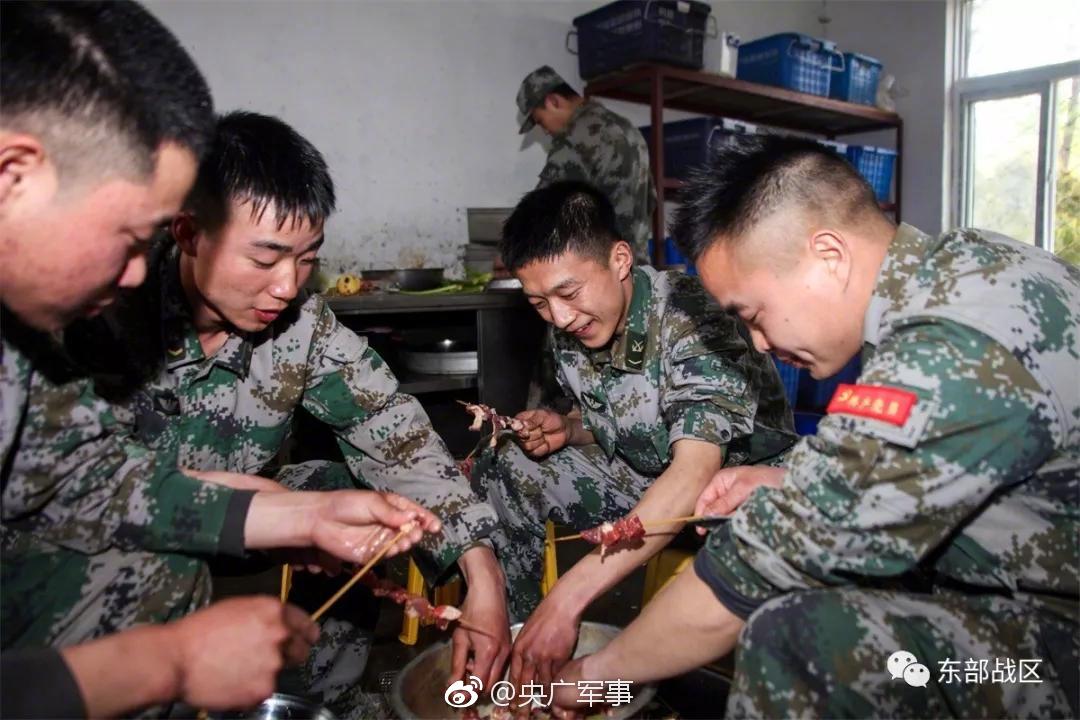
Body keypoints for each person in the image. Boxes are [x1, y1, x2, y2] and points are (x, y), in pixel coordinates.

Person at [0, 3, 436, 715]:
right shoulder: (83, 319)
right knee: (157, 576)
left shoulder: (26, 330)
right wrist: (170, 663)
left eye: (306, 259)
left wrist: (308, 517)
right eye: (130, 236)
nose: (136, 272)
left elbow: (93, 479)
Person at [550, 135, 1079, 718]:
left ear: (829, 255)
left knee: (799, 640)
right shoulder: (964, 268)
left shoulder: (946, 350)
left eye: (753, 314)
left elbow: (758, 566)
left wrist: (596, 675)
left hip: (1054, 654)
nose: (758, 343)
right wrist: (788, 480)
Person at [63, 110, 512, 715]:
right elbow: (88, 493)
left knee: (346, 499)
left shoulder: (300, 324)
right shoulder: (99, 312)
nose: (286, 286)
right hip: (110, 545)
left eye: (306, 259)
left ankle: (322, 699)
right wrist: (285, 513)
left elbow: (392, 429)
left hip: (248, 523)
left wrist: (482, 570)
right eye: (264, 258)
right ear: (189, 232)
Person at [472, 181, 796, 690]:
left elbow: (695, 472)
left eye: (568, 293)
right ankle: (527, 653)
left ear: (620, 260)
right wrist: (571, 430)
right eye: (538, 302)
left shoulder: (695, 317)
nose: (559, 317)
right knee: (508, 465)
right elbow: (628, 419)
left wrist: (569, 596)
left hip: (736, 490)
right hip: (649, 476)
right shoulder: (576, 324)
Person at [516, 66, 655, 265]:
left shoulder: (576, 136)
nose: (545, 130)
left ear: (553, 101)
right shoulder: (626, 127)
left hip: (603, 268)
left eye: (540, 121)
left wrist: (512, 249)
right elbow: (650, 199)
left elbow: (541, 210)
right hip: (637, 265)